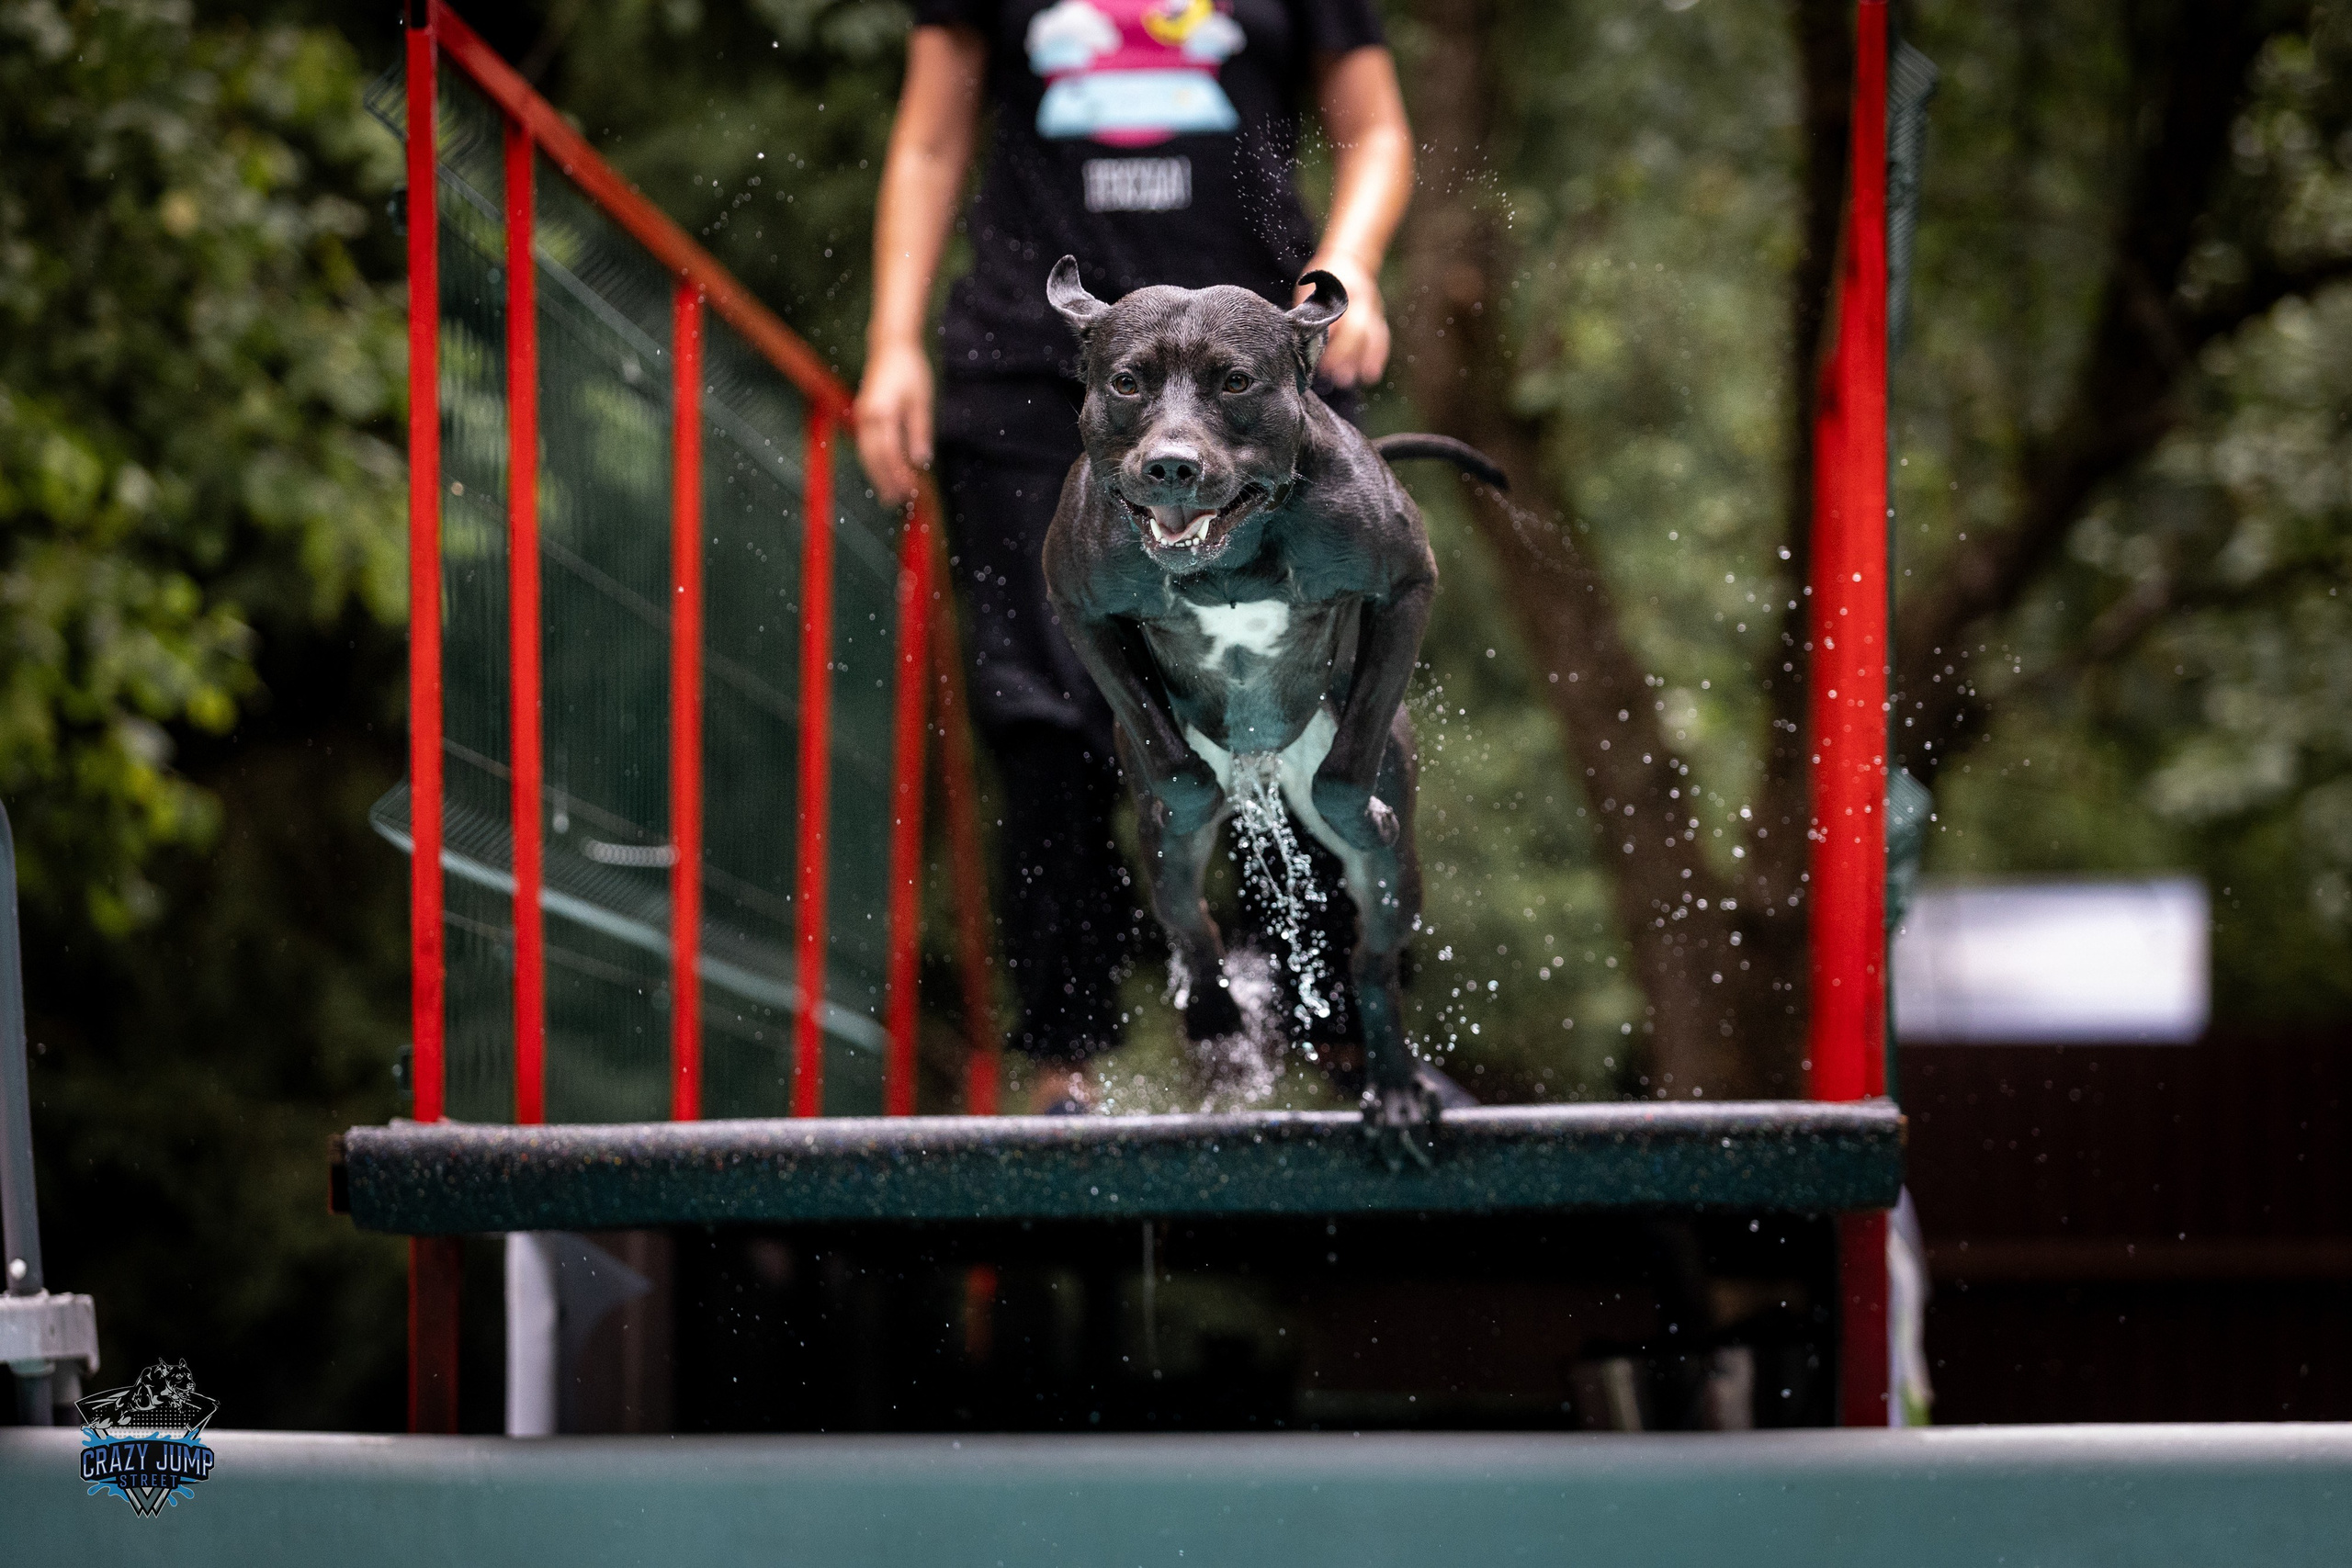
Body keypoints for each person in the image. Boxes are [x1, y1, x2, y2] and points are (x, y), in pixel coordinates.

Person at [855, 0, 1415, 1111]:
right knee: (1042, 714)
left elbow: (1376, 128)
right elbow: (927, 139)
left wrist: (1346, 263)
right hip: (1035, 370)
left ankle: (1340, 1039)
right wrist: (891, 342)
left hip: (1257, 376)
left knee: (1315, 695)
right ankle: (1064, 1063)